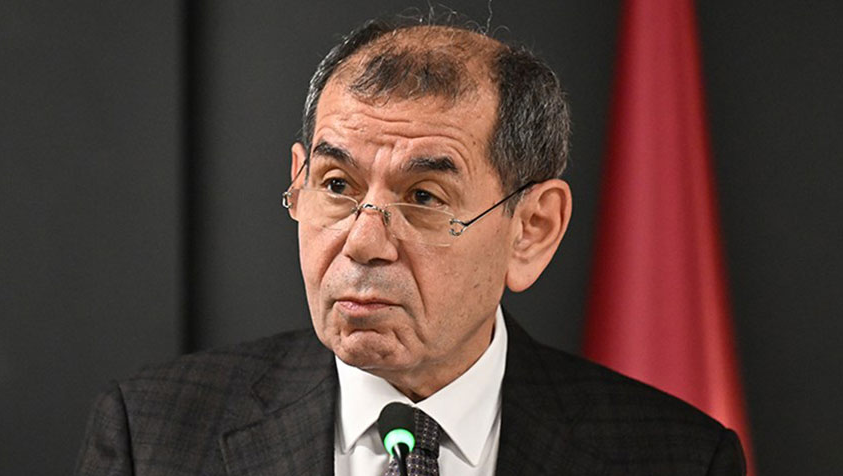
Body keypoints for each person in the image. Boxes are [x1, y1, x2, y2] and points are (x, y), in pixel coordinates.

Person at [76, 17, 746, 476]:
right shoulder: (153, 436)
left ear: (532, 229)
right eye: (336, 185)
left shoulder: (676, 459)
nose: (364, 242)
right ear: (297, 184)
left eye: (424, 196)